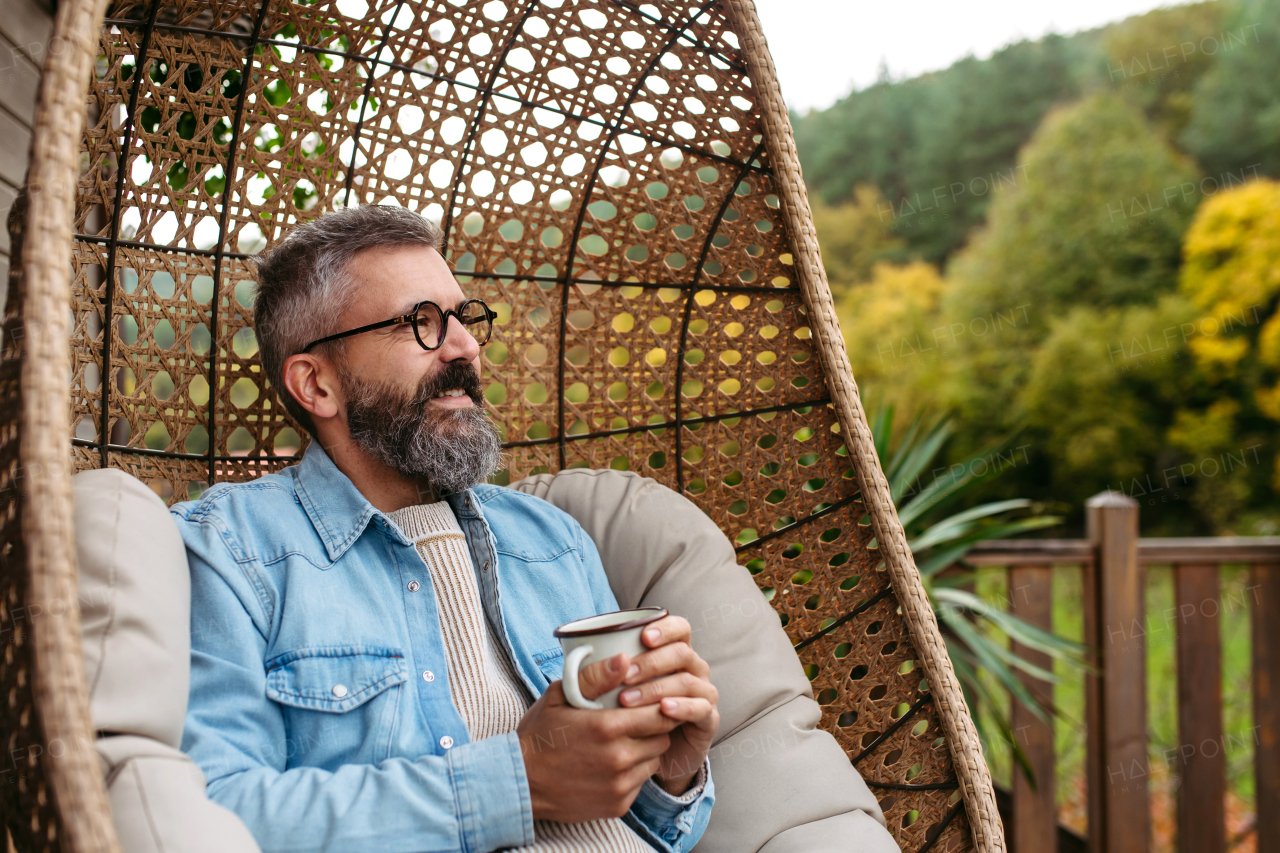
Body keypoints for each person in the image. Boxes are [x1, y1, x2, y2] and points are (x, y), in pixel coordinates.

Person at [174, 205, 719, 853]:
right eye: (421, 323)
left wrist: (667, 771)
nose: (464, 347)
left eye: (464, 318)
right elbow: (211, 814)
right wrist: (516, 780)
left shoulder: (552, 538)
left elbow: (646, 825)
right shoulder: (230, 551)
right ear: (317, 383)